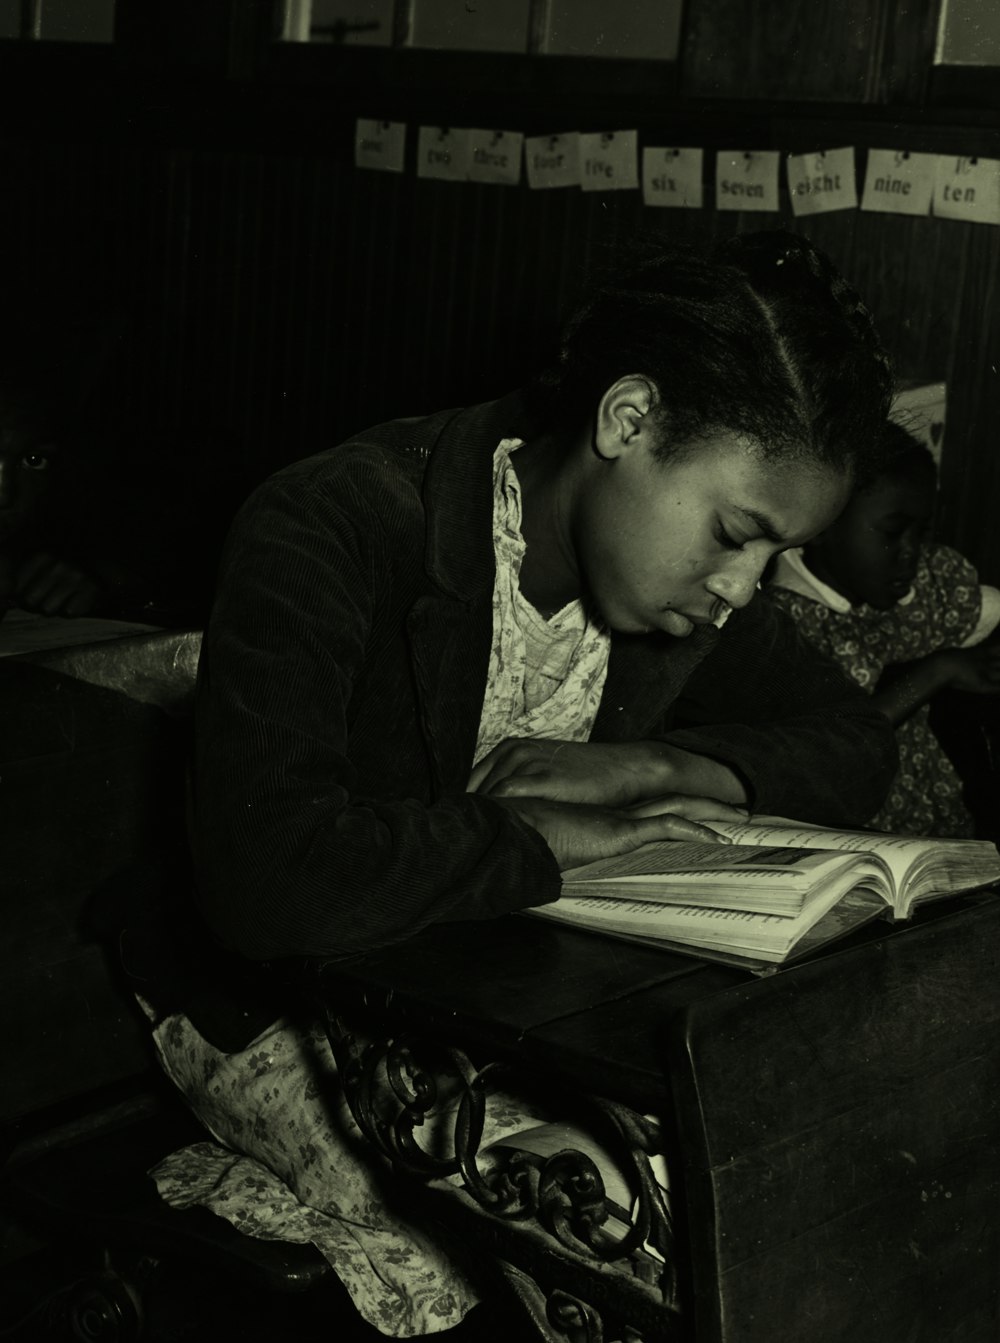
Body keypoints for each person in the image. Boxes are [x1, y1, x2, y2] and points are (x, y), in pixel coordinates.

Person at [145, 230, 899, 1338]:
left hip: (505, 1006)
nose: (742, 588)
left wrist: (644, 764)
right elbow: (269, 881)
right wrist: (546, 833)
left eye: (771, 553)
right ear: (626, 420)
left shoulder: (669, 591)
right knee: (584, 1239)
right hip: (273, 1000)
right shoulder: (333, 522)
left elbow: (854, 737)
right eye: (736, 533)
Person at [768, 419, 1000, 839]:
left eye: (922, 532)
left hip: (943, 824)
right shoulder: (782, 625)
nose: (912, 552)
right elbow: (835, 740)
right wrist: (939, 670)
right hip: (854, 836)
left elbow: (988, 607)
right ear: (822, 526)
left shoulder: (926, 583)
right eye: (893, 533)